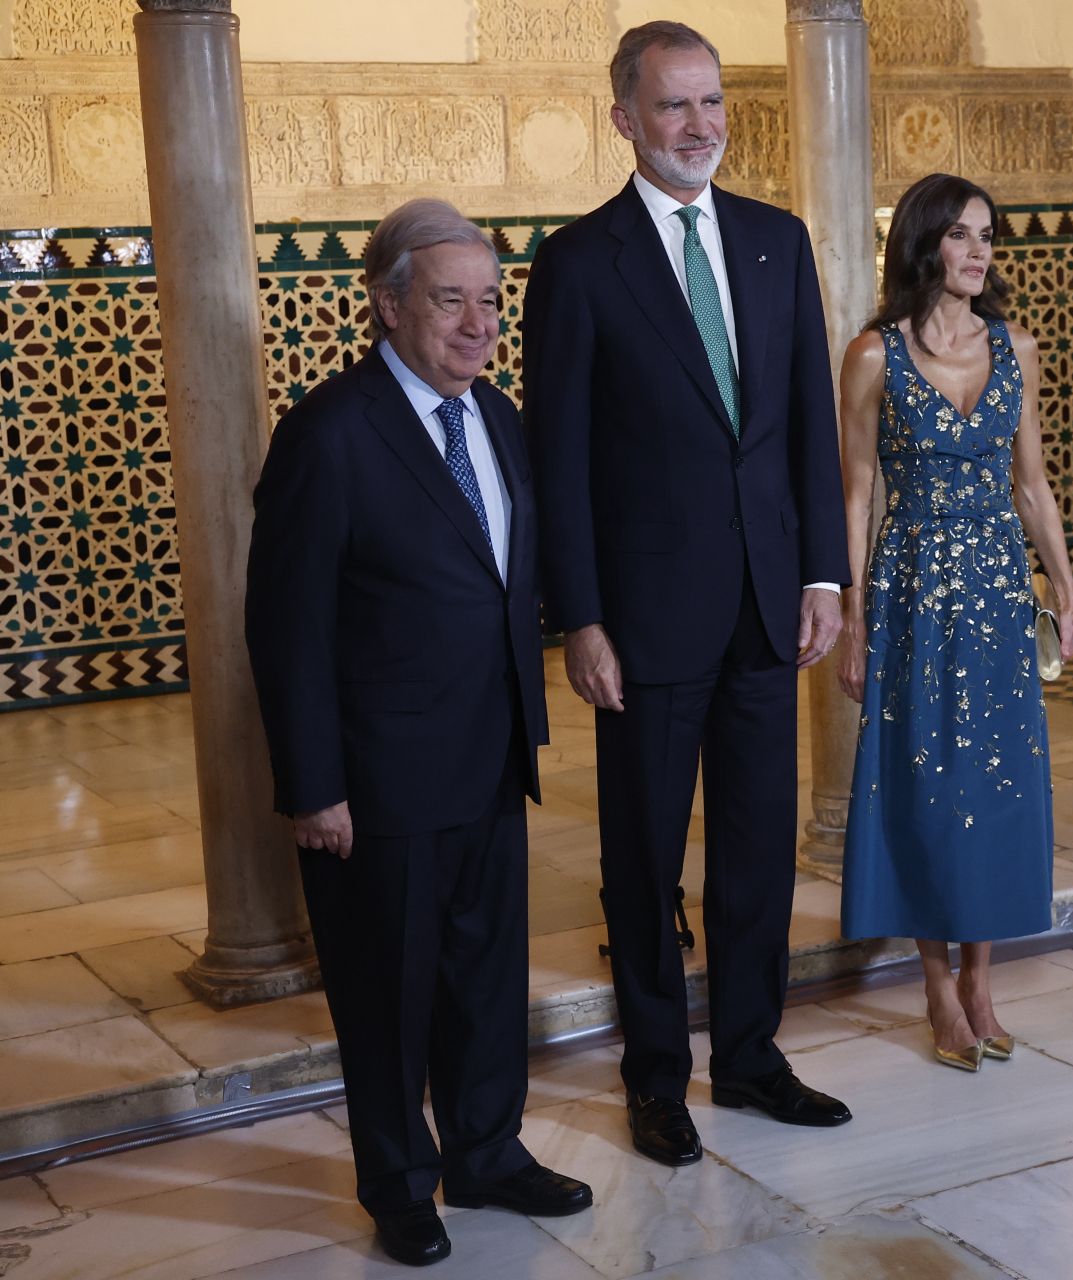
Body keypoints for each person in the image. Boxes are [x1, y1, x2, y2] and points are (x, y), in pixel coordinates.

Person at [521, 21, 853, 1167]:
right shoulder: (577, 262)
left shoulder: (775, 240)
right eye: (674, 107)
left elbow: (807, 419)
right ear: (624, 118)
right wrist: (584, 617)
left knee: (758, 847)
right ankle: (656, 1074)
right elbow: (557, 461)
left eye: (712, 104)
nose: (700, 126)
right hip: (647, 620)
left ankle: (754, 1057)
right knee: (644, 855)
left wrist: (823, 572)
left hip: (770, 604)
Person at [245, 199, 590, 1267]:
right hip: (378, 781)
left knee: (485, 979)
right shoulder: (329, 431)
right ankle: (399, 1181)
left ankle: (486, 1150)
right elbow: (285, 623)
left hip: (488, 758)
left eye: (491, 301)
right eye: (452, 300)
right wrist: (313, 785)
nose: (480, 323)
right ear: (387, 303)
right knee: (387, 996)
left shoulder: (497, 416)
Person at [835, 173, 1073, 1071]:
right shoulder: (873, 355)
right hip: (909, 591)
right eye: (963, 235)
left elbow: (1032, 482)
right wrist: (854, 618)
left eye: (989, 236)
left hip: (995, 592)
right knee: (927, 786)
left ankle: (983, 979)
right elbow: (856, 494)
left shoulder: (1018, 346)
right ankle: (938, 987)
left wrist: (1062, 580)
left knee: (998, 783)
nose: (981, 252)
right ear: (924, 244)